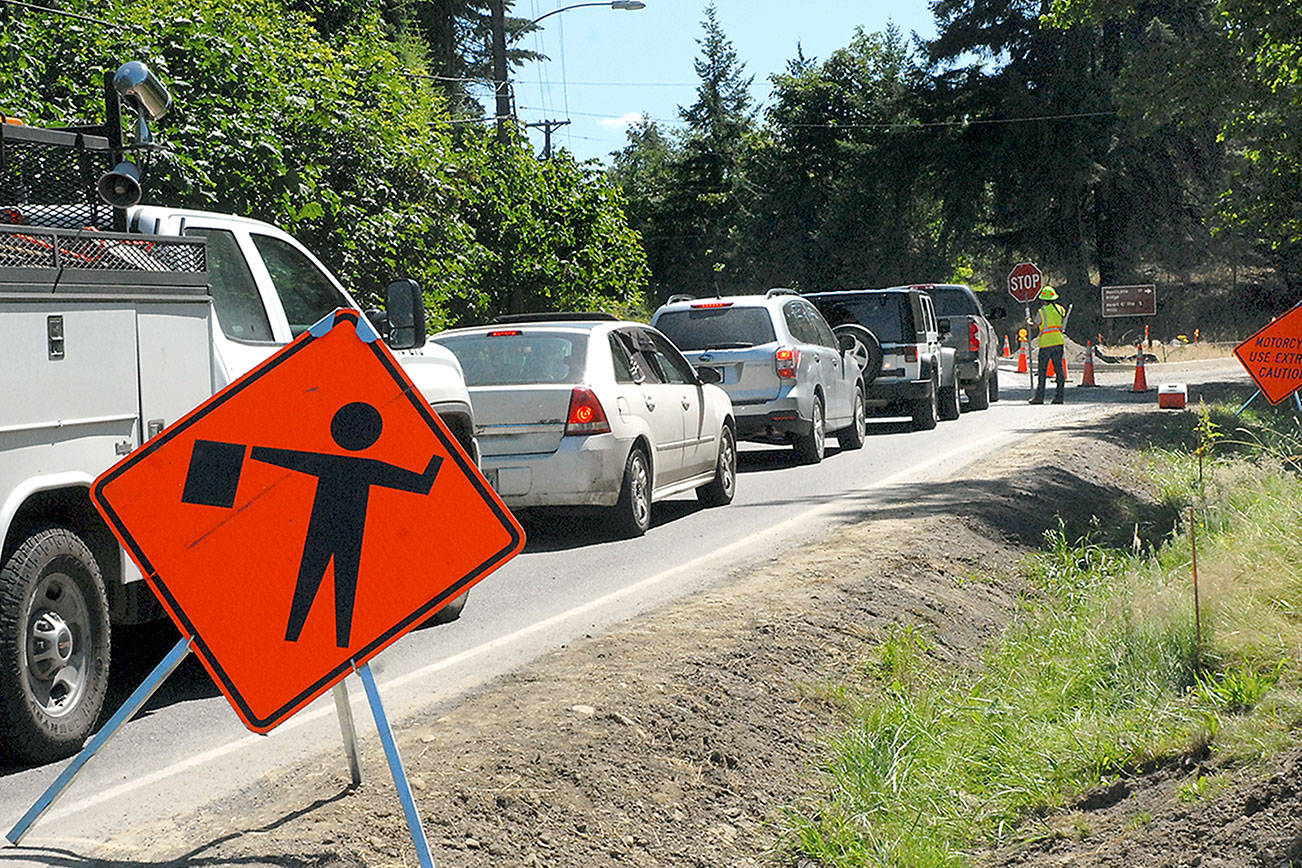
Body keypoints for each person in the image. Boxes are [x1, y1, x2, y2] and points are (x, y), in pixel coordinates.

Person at [1027, 285, 1067, 404]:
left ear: (1043, 299)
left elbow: (1035, 325)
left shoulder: (1042, 311)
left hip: (1046, 344)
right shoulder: (1061, 309)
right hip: (1058, 342)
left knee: (1042, 371)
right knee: (1059, 370)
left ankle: (1039, 398)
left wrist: (1028, 321)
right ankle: (1059, 397)